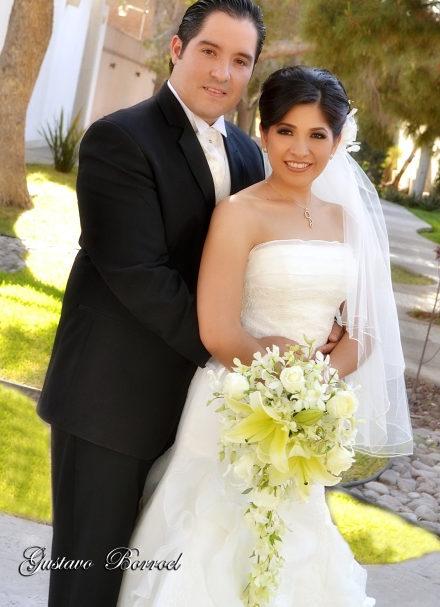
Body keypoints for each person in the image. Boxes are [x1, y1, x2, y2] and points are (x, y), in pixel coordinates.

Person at [37, 0, 342, 607]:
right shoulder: (118, 140)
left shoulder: (248, 154)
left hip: (204, 411)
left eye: (239, 60)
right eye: (209, 51)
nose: (222, 73)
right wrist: (245, 353)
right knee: (89, 585)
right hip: (110, 405)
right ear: (177, 49)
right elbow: (141, 276)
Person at [117, 66, 413, 606]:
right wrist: (286, 383)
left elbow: (365, 327)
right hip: (233, 402)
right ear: (264, 131)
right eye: (286, 131)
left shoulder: (349, 223)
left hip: (307, 412)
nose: (300, 149)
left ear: (338, 140)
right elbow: (217, 329)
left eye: (317, 135)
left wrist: (316, 389)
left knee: (294, 555)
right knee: (209, 548)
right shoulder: (238, 214)